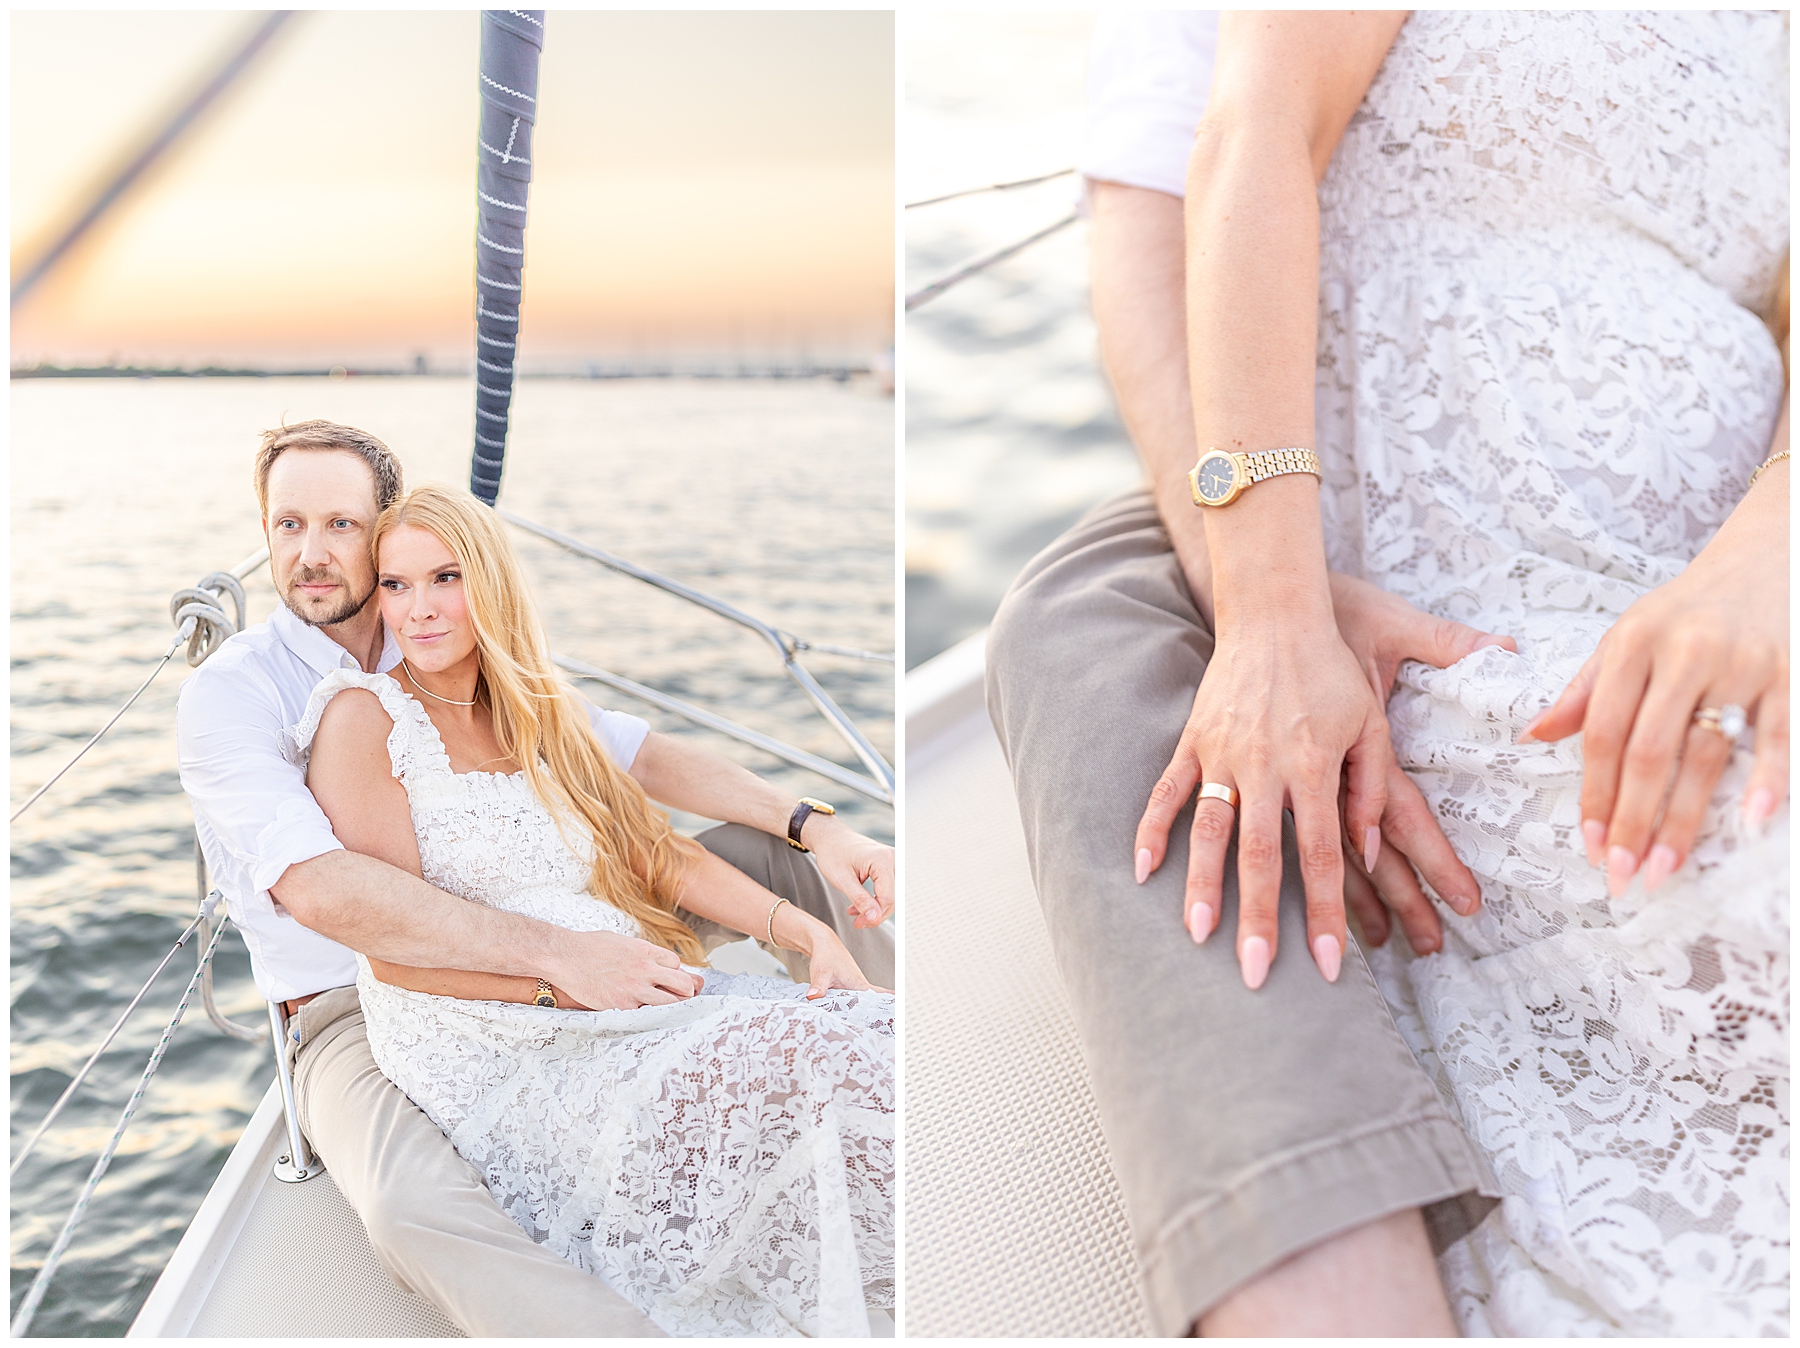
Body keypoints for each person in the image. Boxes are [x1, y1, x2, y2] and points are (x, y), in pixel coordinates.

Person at [986, 10, 1786, 1337]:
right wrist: (1277, 612)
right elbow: (1241, 146)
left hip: (1736, 575)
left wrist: (1771, 545)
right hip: (1461, 607)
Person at [177, 420, 895, 1336]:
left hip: (569, 918)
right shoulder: (243, 693)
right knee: (414, 1211)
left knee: (791, 885)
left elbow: (630, 763)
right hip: (351, 1006)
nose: (311, 555)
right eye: (286, 525)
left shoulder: (451, 647)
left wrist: (810, 825)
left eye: (340, 527)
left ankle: (869, 997)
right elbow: (327, 896)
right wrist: (565, 964)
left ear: (385, 527)